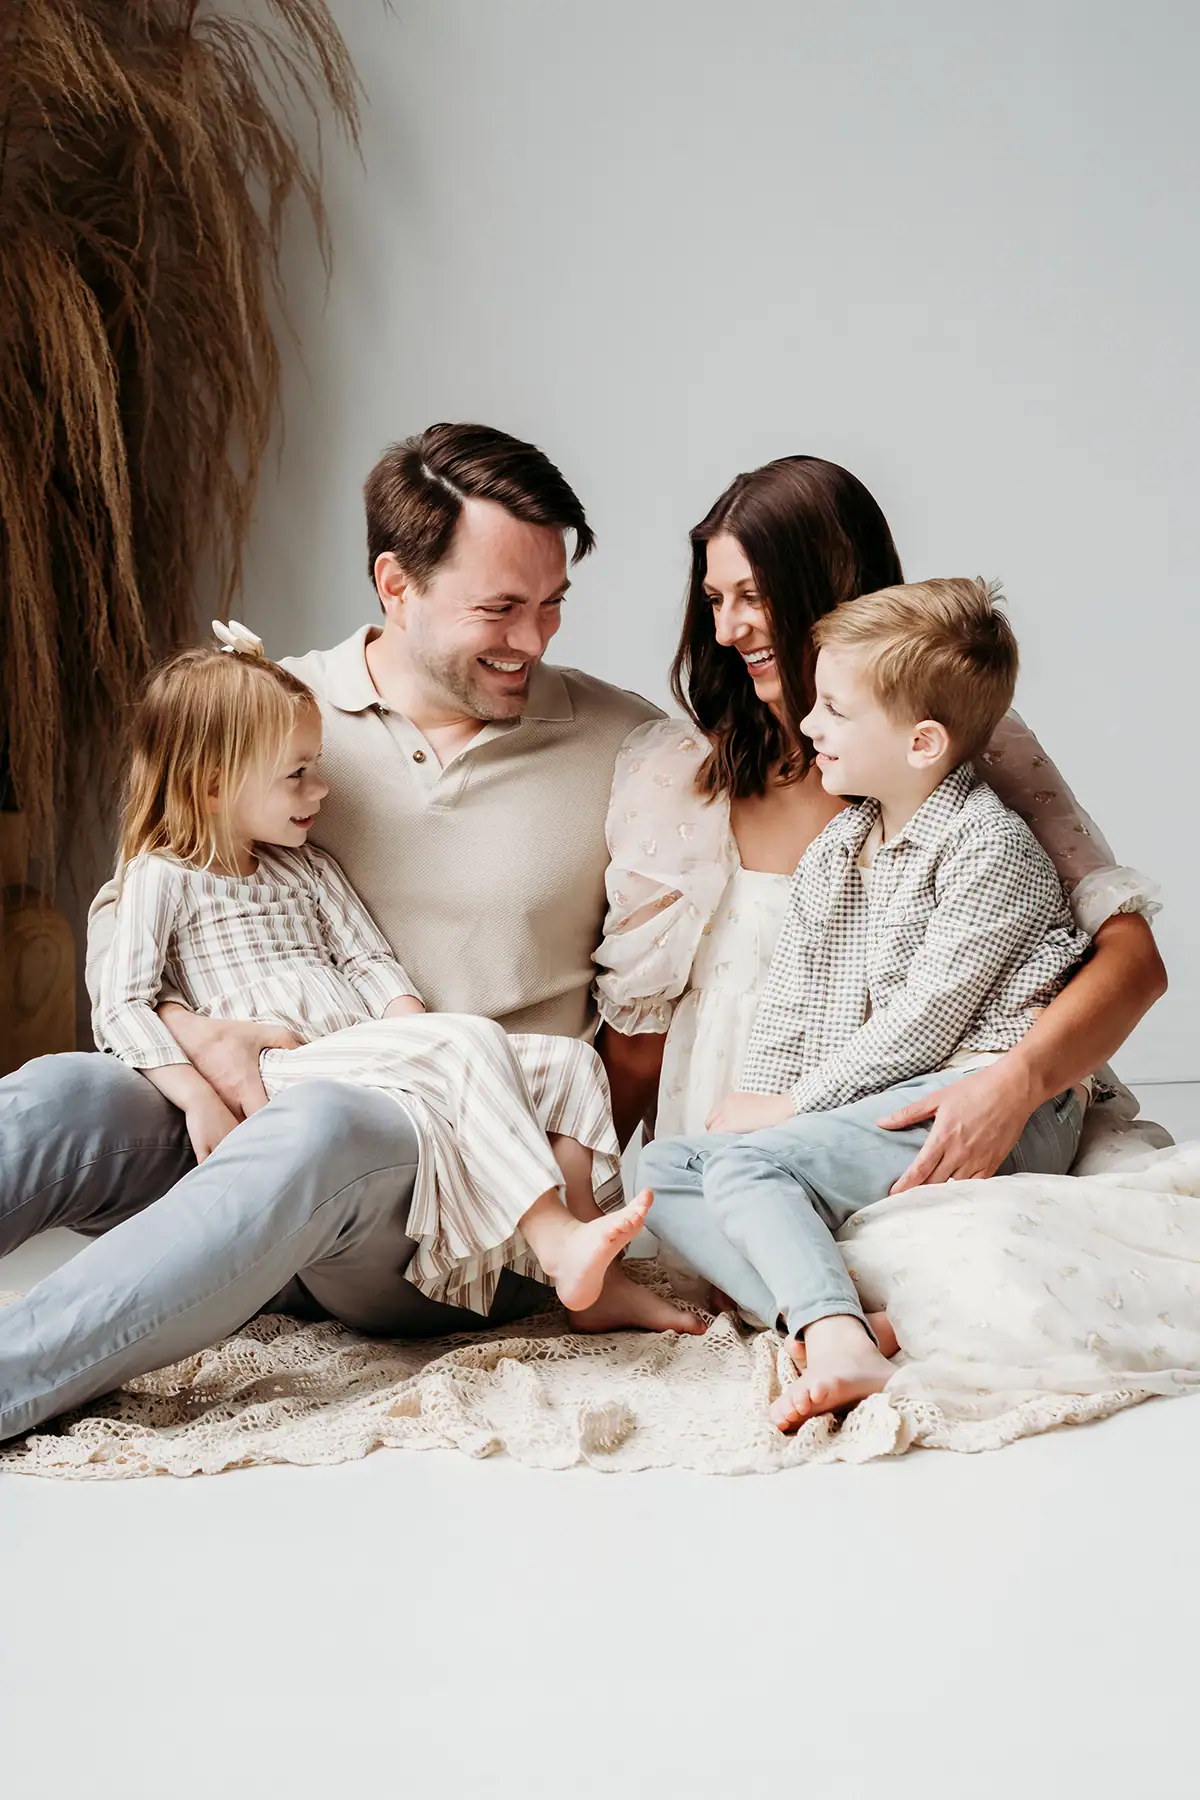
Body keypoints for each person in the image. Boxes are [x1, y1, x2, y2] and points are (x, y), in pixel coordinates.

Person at [0, 422, 683, 1445]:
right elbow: (135, 909)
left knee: (319, 1129)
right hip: (236, 1131)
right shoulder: (274, 711)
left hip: (438, 1202)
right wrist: (201, 1045)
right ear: (395, 584)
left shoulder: (626, 746)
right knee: (61, 1095)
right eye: (499, 607)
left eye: (552, 606)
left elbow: (661, 994)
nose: (534, 641)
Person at [92, 622, 689, 1333]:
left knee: (565, 1066)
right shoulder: (165, 877)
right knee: (462, 1044)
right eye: (298, 774)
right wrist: (195, 1098)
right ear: (215, 786)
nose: (320, 789)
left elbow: (368, 960)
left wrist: (422, 1036)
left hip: (368, 1052)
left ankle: (595, 1277)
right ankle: (553, 1237)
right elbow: (122, 1004)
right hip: (288, 1073)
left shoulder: (308, 868)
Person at [594, 455, 1164, 1197]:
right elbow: (640, 1040)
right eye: (713, 599)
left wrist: (1013, 1083)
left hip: (965, 1107)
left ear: (830, 592)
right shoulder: (684, 776)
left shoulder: (957, 745)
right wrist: (578, 1209)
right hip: (765, 1132)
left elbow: (1132, 960)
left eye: (753, 597)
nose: (728, 629)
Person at [638, 577, 1093, 1429]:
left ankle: (832, 1335)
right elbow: (791, 1006)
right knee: (662, 1170)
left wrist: (788, 1113)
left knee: (748, 1167)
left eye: (835, 712)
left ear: (922, 742)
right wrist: (759, 1108)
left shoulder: (987, 847)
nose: (808, 726)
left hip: (986, 1095)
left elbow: (923, 1028)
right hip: (888, 1099)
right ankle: (845, 1321)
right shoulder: (841, 845)